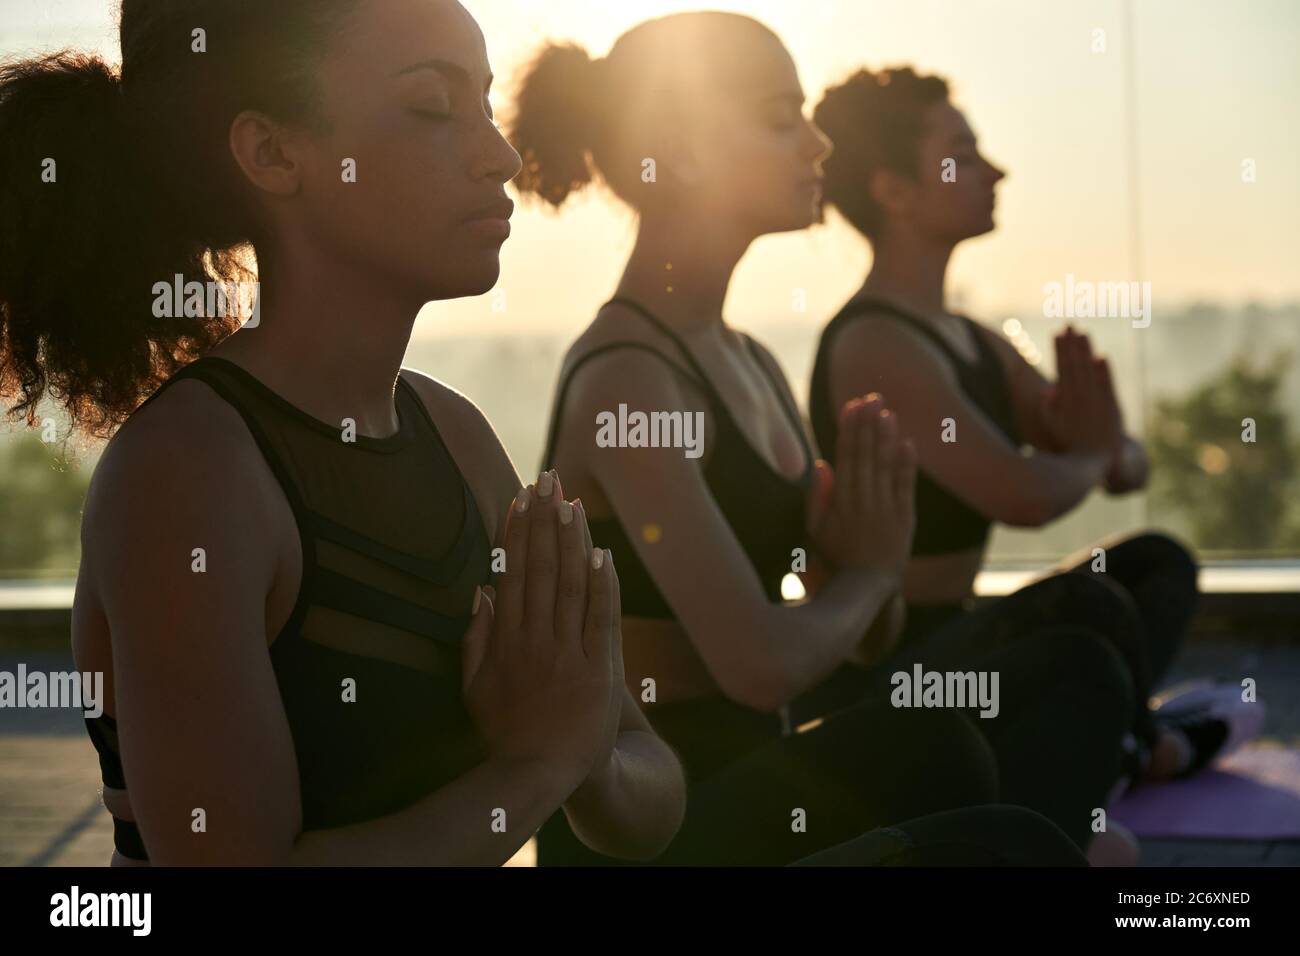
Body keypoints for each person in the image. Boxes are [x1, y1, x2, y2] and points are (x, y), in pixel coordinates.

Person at [0, 0, 688, 865]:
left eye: (485, 103)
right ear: (273, 152)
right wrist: (543, 763)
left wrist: (578, 745)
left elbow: (648, 789)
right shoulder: (189, 473)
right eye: (435, 107)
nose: (500, 155)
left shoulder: (457, 435)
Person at [509, 13, 1134, 864]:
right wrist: (872, 573)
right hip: (657, 825)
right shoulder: (628, 381)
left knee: (1068, 668)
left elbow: (861, 631)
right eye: (780, 118)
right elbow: (758, 666)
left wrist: (861, 571)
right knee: (950, 764)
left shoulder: (752, 362)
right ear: (681, 150)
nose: (817, 147)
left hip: (762, 768)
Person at [809, 65, 1249, 789]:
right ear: (892, 189)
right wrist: (1092, 453)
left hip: (962, 634)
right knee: (1085, 601)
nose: (997, 171)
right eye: (964, 153)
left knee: (1157, 562)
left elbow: (1123, 467)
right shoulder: (875, 345)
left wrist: (1097, 448)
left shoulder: (974, 341)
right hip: (887, 674)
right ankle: (1139, 751)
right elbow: (1024, 495)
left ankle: (1119, 747)